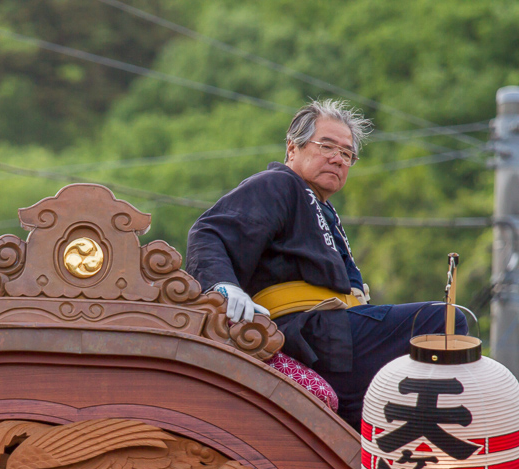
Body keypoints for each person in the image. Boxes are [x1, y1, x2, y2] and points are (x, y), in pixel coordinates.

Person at [185, 99, 466, 430]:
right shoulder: (278, 184)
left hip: (340, 340)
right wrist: (225, 287)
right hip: (308, 334)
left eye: (347, 154)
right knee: (444, 320)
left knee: (371, 439)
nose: (338, 158)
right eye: (327, 146)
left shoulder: (324, 209)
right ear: (293, 148)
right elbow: (208, 232)